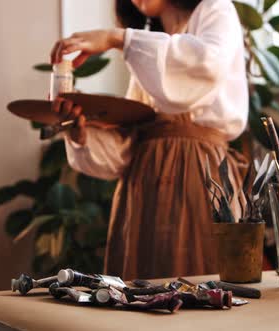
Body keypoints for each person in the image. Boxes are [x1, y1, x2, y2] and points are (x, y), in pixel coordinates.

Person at [50, 0, 248, 280]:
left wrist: (115, 38)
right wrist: (80, 132)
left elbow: (208, 63)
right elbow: (124, 151)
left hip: (199, 175)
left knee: (195, 281)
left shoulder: (215, 8)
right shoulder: (147, 57)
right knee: (142, 289)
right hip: (141, 188)